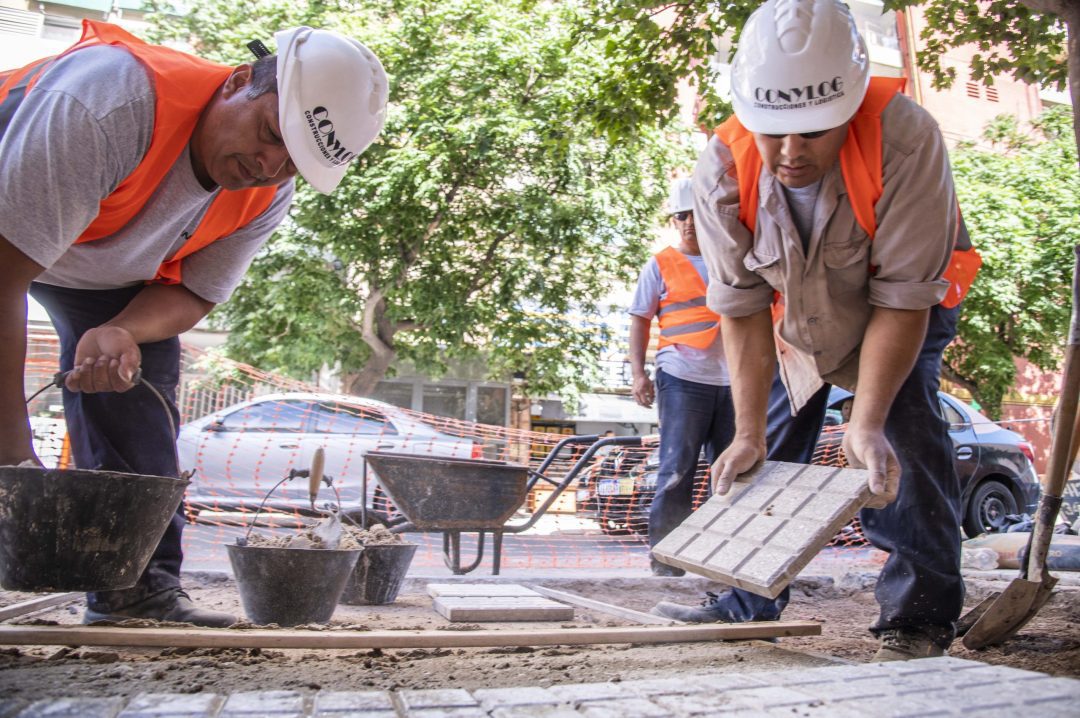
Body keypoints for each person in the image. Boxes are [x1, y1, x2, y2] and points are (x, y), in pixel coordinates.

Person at [0, 21, 388, 626]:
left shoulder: (267, 192)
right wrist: (15, 463)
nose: (268, 164)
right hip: (10, 230)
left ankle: (136, 593)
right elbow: (3, 275)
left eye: (293, 161)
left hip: (105, 275)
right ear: (237, 83)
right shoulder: (111, 103)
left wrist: (125, 329)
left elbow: (194, 292)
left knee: (139, 414)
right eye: (269, 133)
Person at [650, 0, 981, 662]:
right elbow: (741, 308)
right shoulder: (723, 163)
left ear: (851, 105)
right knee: (763, 445)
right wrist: (742, 433)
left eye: (813, 132)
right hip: (800, 314)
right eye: (774, 131)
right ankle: (747, 603)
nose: (791, 153)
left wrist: (864, 422)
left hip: (902, 305)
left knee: (900, 436)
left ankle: (919, 616)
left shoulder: (905, 140)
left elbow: (901, 300)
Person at [629, 177, 735, 576]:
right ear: (674, 221)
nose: (689, 223)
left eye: (695, 214)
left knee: (731, 473)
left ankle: (719, 560)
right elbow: (640, 320)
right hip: (682, 377)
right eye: (681, 216)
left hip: (733, 381)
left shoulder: (729, 258)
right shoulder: (661, 263)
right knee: (677, 469)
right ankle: (667, 562)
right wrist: (639, 374)